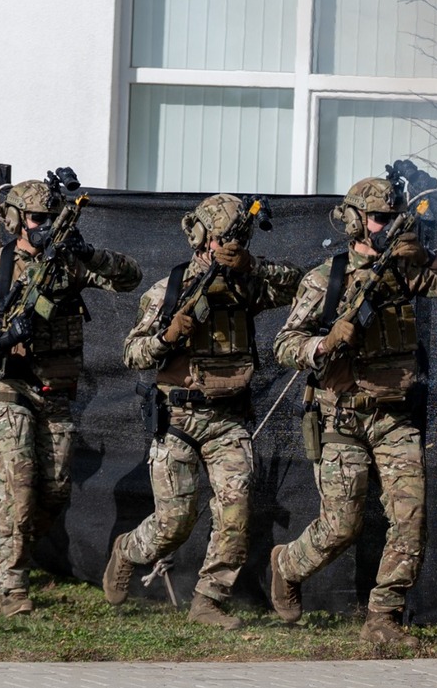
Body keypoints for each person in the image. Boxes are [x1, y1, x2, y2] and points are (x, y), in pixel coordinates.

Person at [268, 174, 437, 649]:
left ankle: (384, 616)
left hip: (393, 416)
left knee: (410, 516)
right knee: (342, 525)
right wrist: (323, 343)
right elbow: (284, 344)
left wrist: (430, 258)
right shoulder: (326, 278)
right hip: (339, 416)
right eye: (379, 218)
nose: (387, 227)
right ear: (357, 222)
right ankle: (287, 565)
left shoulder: (406, 270)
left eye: (392, 218)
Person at [100, 193, 300, 628]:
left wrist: (252, 266)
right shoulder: (168, 291)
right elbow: (132, 353)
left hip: (228, 419)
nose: (229, 246)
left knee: (236, 512)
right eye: (223, 239)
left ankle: (208, 598)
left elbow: (299, 284)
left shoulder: (247, 286)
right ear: (202, 239)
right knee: (173, 522)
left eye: (237, 240)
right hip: (178, 422)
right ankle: (127, 550)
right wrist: (166, 337)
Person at [0, 173, 141, 616]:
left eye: (51, 218)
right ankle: (12, 584)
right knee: (18, 486)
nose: (44, 225)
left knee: (53, 490)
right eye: (36, 217)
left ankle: (6, 555)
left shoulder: (70, 264)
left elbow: (130, 277)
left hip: (55, 390)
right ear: (16, 220)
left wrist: (88, 253)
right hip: (8, 388)